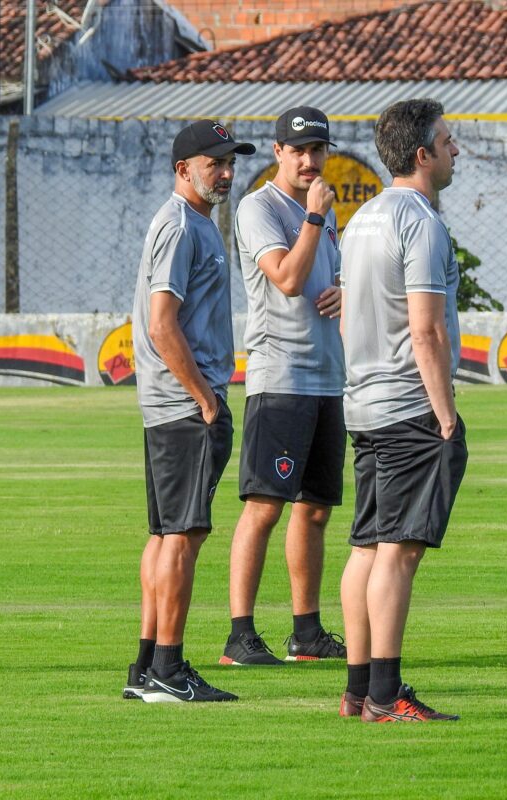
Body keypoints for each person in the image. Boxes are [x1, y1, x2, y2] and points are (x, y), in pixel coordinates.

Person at [337, 99, 468, 721]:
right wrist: (444, 415)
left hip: (362, 403)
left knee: (366, 546)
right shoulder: (421, 221)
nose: (455, 149)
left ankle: (358, 691)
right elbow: (427, 332)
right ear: (421, 154)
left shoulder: (362, 217)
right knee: (399, 550)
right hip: (407, 406)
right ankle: (387, 696)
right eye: (447, 141)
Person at [124, 120, 256, 703]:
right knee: (182, 536)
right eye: (214, 162)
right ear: (183, 168)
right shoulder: (179, 225)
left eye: (230, 162)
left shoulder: (195, 223)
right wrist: (204, 398)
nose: (226, 172)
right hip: (185, 406)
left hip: (175, 406)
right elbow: (161, 323)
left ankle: (149, 664)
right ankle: (168, 670)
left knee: (166, 537)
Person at [220, 107, 347, 667]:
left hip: (327, 376)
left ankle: (306, 632)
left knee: (315, 509)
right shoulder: (258, 207)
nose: (308, 160)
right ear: (277, 152)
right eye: (297, 150)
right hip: (280, 376)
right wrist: (314, 221)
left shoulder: (323, 211)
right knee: (264, 507)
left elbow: (328, 278)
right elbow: (289, 279)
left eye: (317, 149)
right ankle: (239, 635)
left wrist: (345, 289)